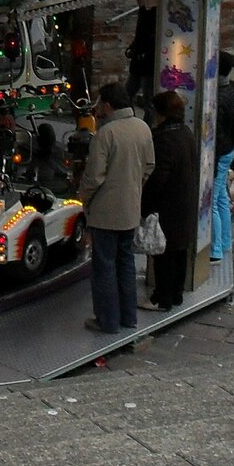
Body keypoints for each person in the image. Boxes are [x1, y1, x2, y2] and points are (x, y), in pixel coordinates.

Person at [76, 81, 154, 335]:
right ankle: (129, 317)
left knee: (104, 268)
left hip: (105, 212)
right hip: (131, 208)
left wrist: (83, 196)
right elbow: (149, 165)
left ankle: (107, 320)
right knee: (126, 263)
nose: (97, 108)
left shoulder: (105, 134)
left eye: (100, 103)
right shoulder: (142, 127)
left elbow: (94, 176)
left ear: (108, 105)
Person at [143, 90, 200, 310]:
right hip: (185, 201)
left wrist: (146, 204)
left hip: (168, 205)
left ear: (161, 113)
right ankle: (176, 293)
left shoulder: (164, 140)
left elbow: (159, 178)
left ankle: (162, 298)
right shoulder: (186, 133)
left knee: (163, 253)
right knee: (179, 250)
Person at [210, 56, 234, 263]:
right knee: (221, 197)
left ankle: (216, 248)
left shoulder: (218, 97)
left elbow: (217, 133)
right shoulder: (229, 91)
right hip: (228, 149)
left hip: (220, 152)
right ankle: (224, 242)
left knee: (212, 201)